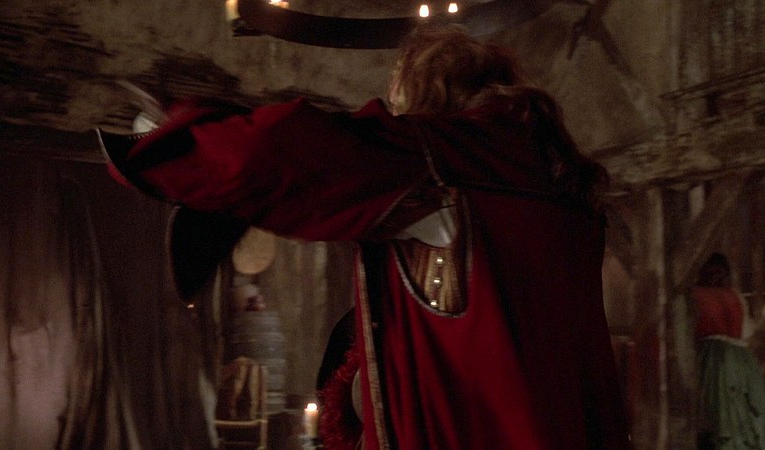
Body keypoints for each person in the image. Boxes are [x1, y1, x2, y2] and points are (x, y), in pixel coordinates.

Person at [99, 25, 632, 449]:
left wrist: (170, 143)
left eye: (399, 93)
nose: (393, 105)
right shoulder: (563, 190)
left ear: (428, 94)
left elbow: (284, 155)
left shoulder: (437, 160)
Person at [693, 252, 765, 450]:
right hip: (741, 358)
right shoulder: (736, 296)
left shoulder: (695, 295)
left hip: (714, 358)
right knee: (744, 416)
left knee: (721, 416)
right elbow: (746, 332)